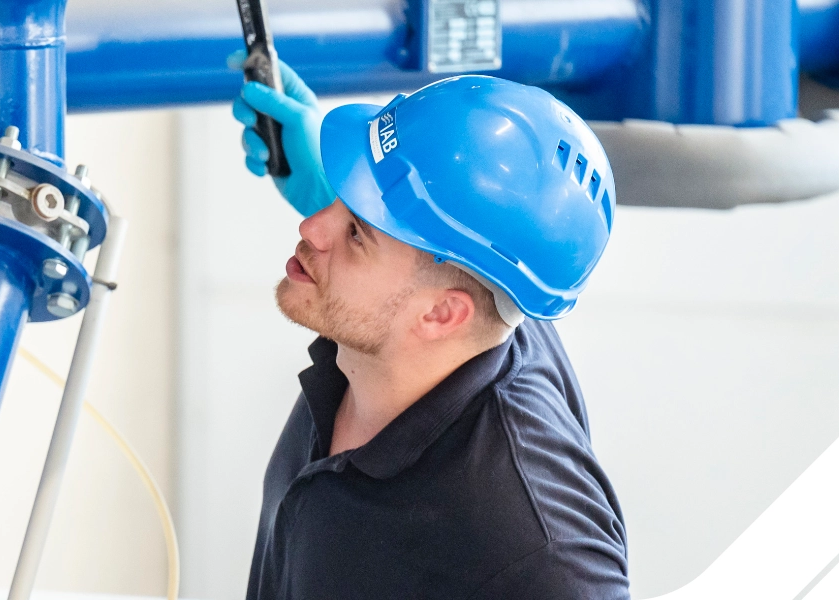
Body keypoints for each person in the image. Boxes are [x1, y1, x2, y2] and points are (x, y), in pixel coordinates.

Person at [232, 56, 631, 599]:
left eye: (357, 233)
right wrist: (345, 196)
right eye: (341, 199)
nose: (310, 226)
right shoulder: (453, 316)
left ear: (441, 314)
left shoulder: (534, 553)